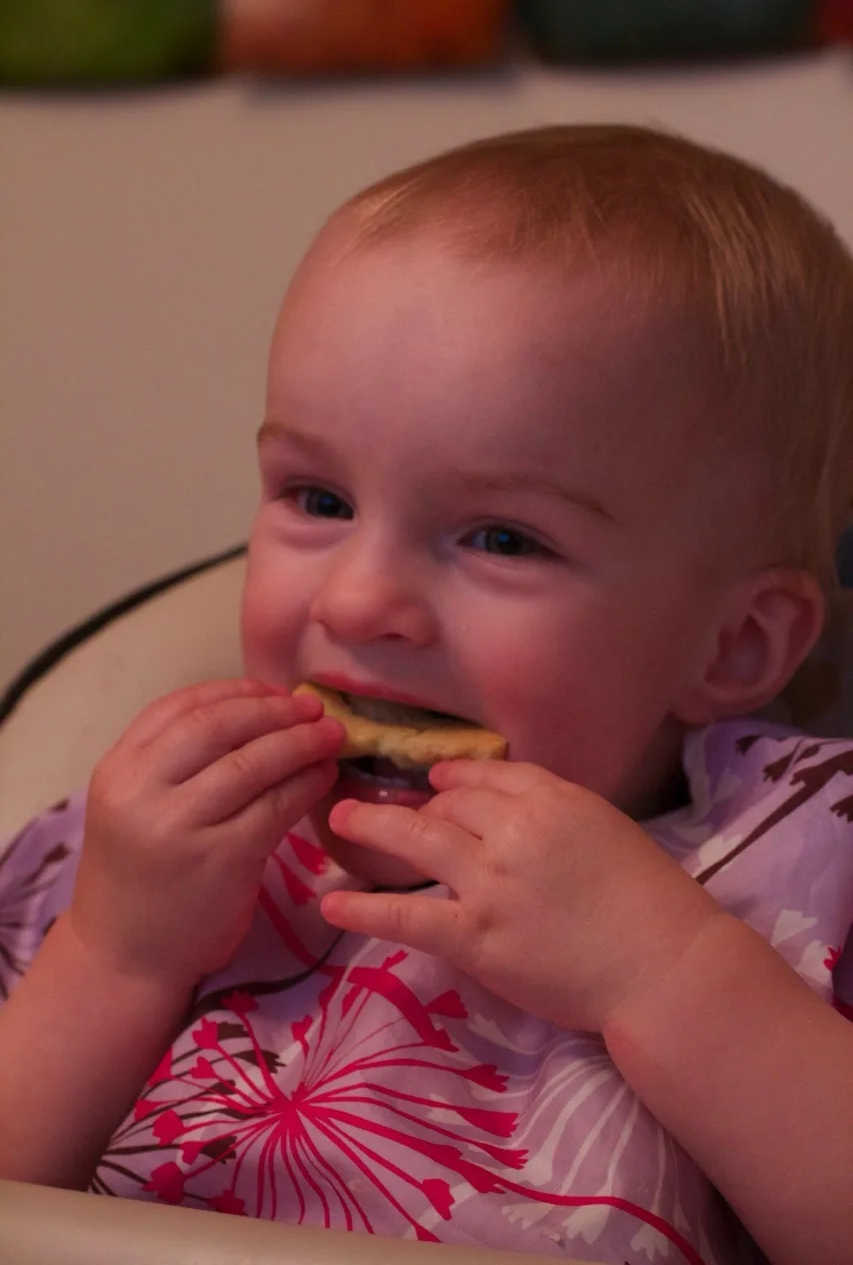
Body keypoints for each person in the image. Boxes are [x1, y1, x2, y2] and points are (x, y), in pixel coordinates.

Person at [1, 124, 852, 1265]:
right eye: (315, 495)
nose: (358, 601)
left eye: (501, 535)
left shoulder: (806, 853)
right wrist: (114, 956)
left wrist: (670, 973)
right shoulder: (145, 847)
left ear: (732, 643)